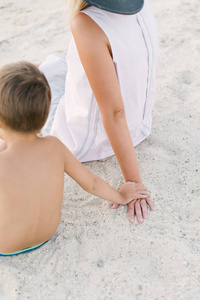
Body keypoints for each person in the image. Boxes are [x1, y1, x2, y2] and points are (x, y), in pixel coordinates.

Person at [0, 61, 149, 256]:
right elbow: (92, 183)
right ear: (44, 116)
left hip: (6, 244)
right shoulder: (55, 147)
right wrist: (121, 196)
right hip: (46, 234)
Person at [38, 0, 159, 223]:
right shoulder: (143, 4)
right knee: (59, 66)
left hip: (88, 140)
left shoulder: (86, 23)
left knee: (41, 74)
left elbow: (114, 113)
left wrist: (133, 182)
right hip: (140, 123)